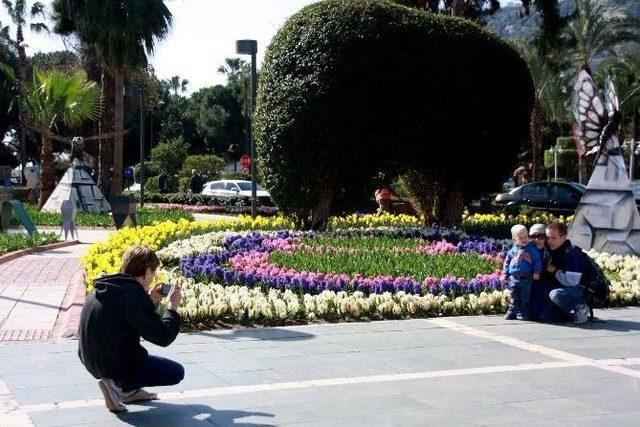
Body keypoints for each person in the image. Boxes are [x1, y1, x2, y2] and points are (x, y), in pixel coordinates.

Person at [78, 246, 184, 412]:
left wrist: (150, 299)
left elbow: (122, 315)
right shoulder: (132, 297)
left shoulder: (105, 287)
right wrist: (172, 308)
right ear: (147, 271)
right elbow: (163, 337)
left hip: (90, 360)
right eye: (153, 273)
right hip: (112, 365)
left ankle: (128, 390)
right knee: (176, 372)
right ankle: (118, 385)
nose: (153, 278)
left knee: (131, 354)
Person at [544, 221, 590, 324]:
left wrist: (555, 271)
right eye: (548, 237)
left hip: (580, 290)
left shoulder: (571, 253)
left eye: (553, 238)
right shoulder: (552, 251)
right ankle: (568, 313)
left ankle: (578, 311)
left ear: (564, 237)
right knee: (544, 316)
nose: (549, 241)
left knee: (555, 294)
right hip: (565, 289)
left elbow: (572, 281)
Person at [501, 224, 542, 320]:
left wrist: (537, 271)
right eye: (520, 237)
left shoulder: (531, 249)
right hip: (514, 278)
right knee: (514, 296)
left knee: (525, 297)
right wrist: (505, 274)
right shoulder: (512, 251)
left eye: (526, 237)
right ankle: (512, 311)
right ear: (514, 238)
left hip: (526, 278)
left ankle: (523, 312)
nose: (524, 239)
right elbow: (507, 263)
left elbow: (537, 261)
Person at [528, 223, 554, 321]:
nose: (537, 240)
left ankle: (537, 312)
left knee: (541, 288)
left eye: (540, 236)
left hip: (545, 281)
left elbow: (551, 269)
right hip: (529, 279)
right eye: (533, 236)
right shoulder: (526, 249)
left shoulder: (551, 250)